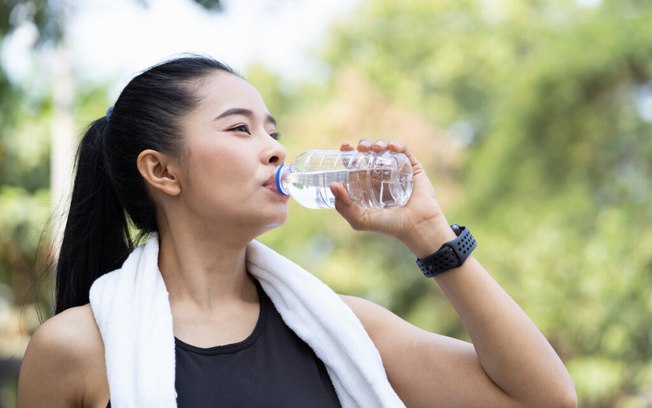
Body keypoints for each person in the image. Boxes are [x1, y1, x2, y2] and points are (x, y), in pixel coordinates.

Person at [17, 55, 577, 407]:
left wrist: (429, 233)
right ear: (162, 170)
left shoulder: (343, 328)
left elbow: (545, 400)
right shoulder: (76, 349)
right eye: (240, 128)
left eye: (273, 130)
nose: (276, 148)